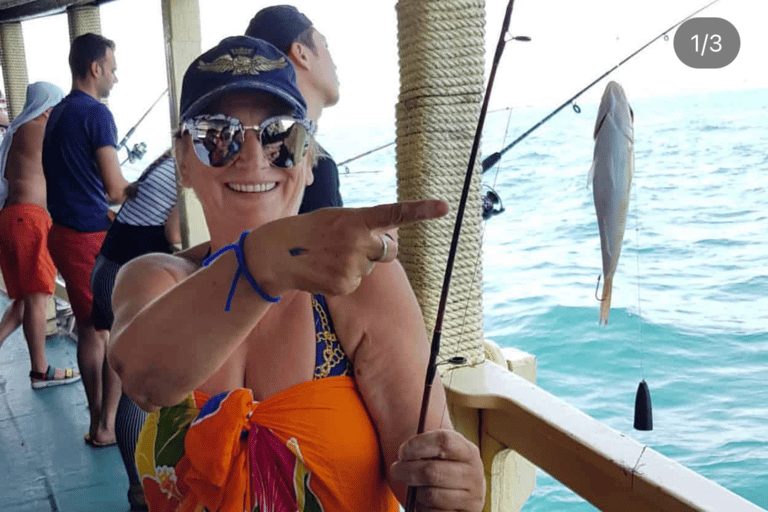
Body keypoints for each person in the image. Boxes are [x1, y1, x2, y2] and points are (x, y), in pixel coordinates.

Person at [109, 36, 485, 512]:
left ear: (308, 160)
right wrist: (261, 262)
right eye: (216, 136)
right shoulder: (155, 278)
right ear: (183, 161)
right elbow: (145, 378)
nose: (251, 156)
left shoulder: (360, 286)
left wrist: (453, 486)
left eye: (280, 135)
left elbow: (420, 469)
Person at [43, 32, 130, 447]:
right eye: (112, 68)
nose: (115, 76)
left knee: (89, 327)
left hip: (61, 233)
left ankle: (98, 420)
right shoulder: (97, 114)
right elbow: (115, 189)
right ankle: (107, 426)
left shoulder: (57, 114)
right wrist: (150, 185)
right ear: (95, 68)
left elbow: (75, 180)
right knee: (110, 330)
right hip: (88, 238)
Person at [89, 149, 179, 511]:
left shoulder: (171, 160)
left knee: (131, 372)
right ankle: (140, 492)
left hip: (111, 266)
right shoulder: (187, 168)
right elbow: (175, 232)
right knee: (139, 383)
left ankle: (139, 490)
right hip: (124, 275)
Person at [0, 81, 80, 388]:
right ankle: (40, 371)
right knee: (36, 298)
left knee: (22, 301)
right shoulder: (38, 128)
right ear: (49, 109)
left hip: (11, 218)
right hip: (30, 220)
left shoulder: (17, 131)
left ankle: (37, 366)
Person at [245, 5, 343, 213]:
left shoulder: (259, 153)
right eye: (325, 46)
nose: (335, 65)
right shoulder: (312, 167)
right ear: (301, 53)